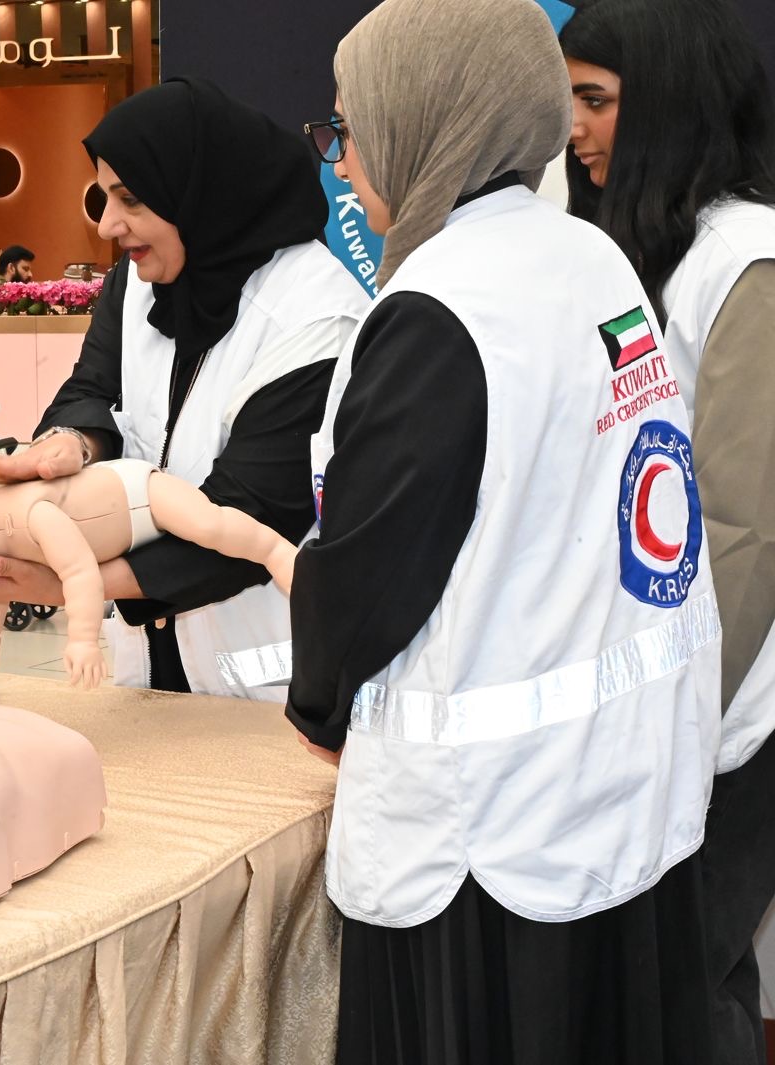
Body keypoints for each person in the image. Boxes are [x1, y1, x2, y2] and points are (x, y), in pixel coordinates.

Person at [287, 0, 721, 1060]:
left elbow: (373, 574)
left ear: (427, 121)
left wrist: (315, 698)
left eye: (350, 128)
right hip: (617, 799)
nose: (339, 162)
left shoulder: (442, 307)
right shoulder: (588, 260)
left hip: (482, 855)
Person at [0, 78, 369, 699]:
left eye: (132, 199)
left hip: (266, 690)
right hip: (144, 671)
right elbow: (91, 388)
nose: (108, 225)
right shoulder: (136, 285)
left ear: (201, 191)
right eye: (104, 197)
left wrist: (76, 580)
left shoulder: (313, 314)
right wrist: (70, 442)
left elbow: (254, 511)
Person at [562, 2, 775, 1060]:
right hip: (660, 697)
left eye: (595, 101)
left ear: (671, 106)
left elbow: (743, 530)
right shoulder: (651, 250)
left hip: (723, 711)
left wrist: (679, 714)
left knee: (689, 981)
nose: (574, 127)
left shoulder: (746, 257)